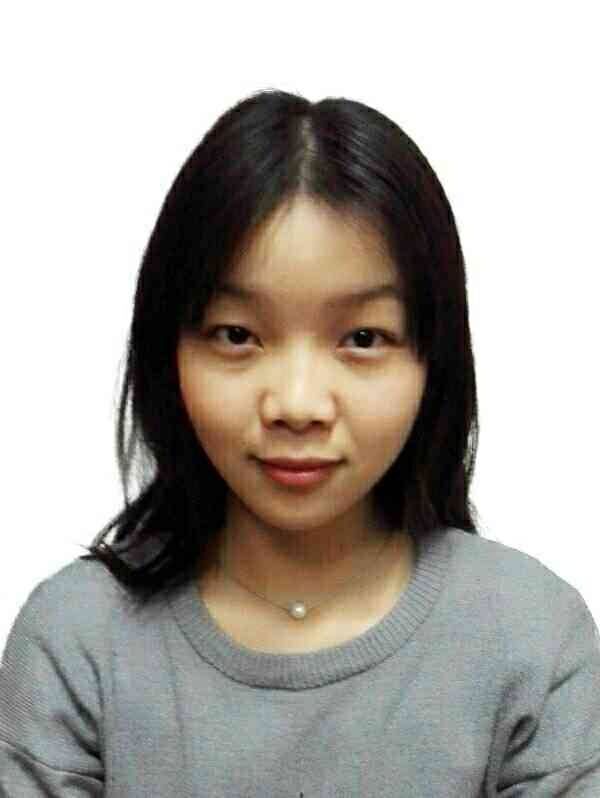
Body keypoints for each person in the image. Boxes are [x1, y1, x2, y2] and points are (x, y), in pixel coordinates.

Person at [1, 88, 599, 796]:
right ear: (169, 353)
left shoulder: (532, 638)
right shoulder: (77, 641)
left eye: (363, 338)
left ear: (432, 361)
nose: (297, 405)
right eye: (237, 335)